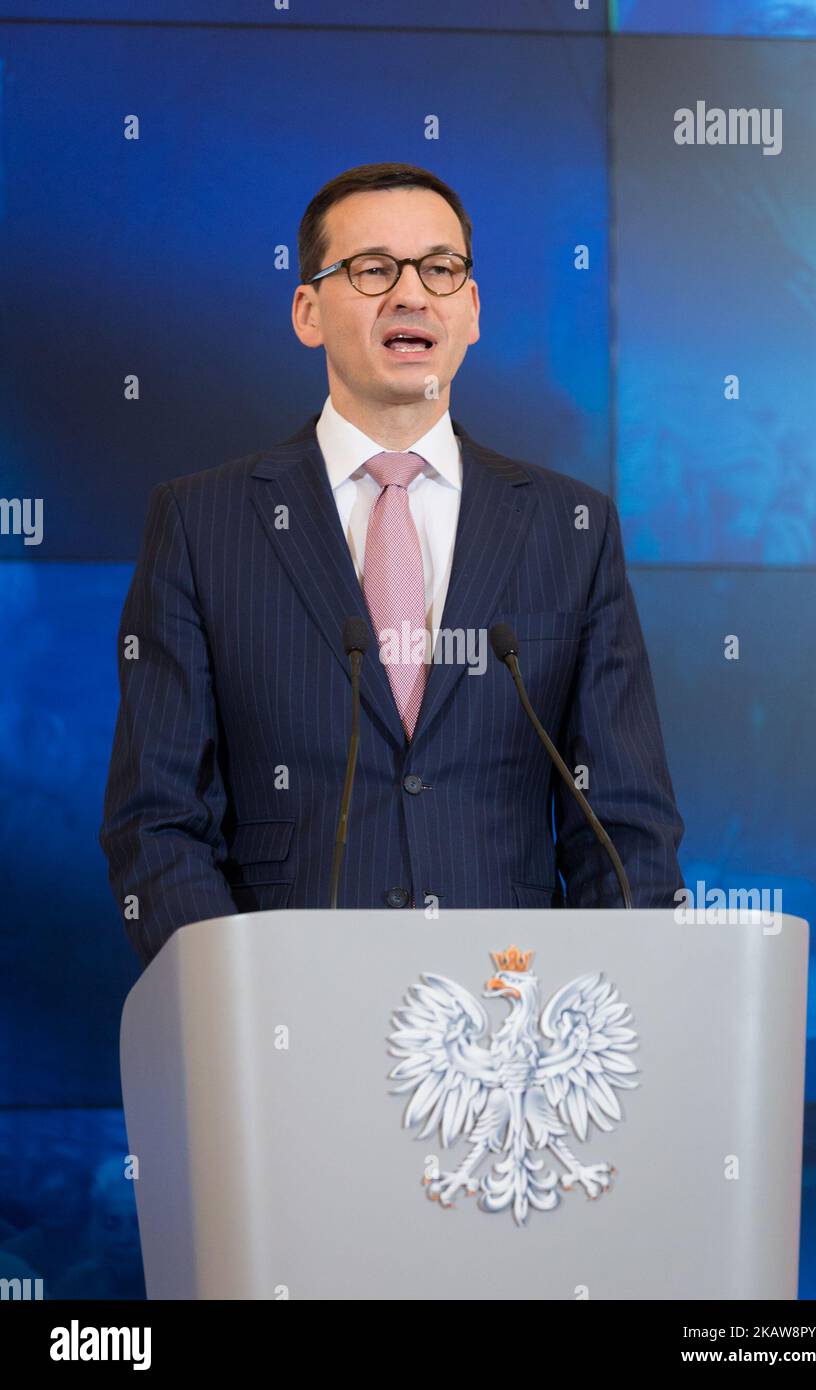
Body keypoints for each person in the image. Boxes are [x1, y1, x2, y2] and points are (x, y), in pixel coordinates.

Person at [99, 161, 685, 969]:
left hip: (510, 1027)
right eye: (374, 270)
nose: (412, 294)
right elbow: (156, 818)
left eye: (441, 270)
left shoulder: (569, 527)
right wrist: (238, 1008)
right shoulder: (202, 524)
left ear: (472, 311)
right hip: (285, 1023)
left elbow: (626, 826)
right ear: (307, 310)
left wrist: (594, 1018)